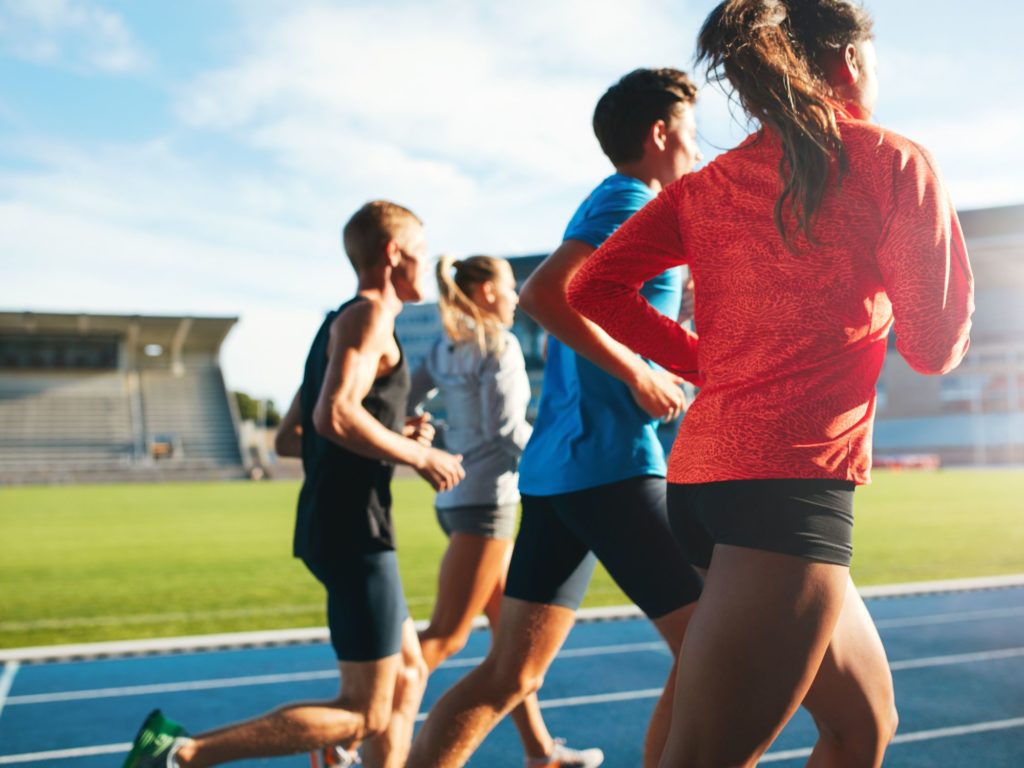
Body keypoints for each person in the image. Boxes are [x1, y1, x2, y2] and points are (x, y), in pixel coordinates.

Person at [567, 2, 975, 765]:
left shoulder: (708, 183)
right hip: (783, 497)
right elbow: (933, 347)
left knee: (862, 729)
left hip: (704, 486)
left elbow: (594, 287)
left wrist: (702, 362)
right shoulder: (892, 161)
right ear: (851, 63)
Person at [407, 68, 705, 768]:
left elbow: (598, 310)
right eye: (691, 135)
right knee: (710, 650)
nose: (698, 151)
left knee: (512, 675)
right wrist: (638, 373)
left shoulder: (619, 205)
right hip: (608, 464)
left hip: (559, 473)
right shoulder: (630, 197)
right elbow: (545, 294)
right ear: (659, 134)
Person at [122, 200, 465, 768]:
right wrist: (417, 455)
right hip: (354, 529)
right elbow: (333, 417)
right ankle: (181, 755)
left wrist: (389, 428)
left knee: (407, 673)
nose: (426, 265)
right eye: (422, 253)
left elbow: (291, 436)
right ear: (393, 253)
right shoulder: (369, 317)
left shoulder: (337, 321)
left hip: (340, 522)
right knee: (366, 712)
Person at [408, 254, 604, 768]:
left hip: (453, 499)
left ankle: (541, 752)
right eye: (510, 285)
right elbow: (507, 432)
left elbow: (407, 397)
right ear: (486, 290)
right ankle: (358, 729)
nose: (518, 295)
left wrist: (421, 427)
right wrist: (558, 455)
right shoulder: (499, 344)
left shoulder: (444, 345)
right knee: (445, 638)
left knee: (510, 644)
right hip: (487, 503)